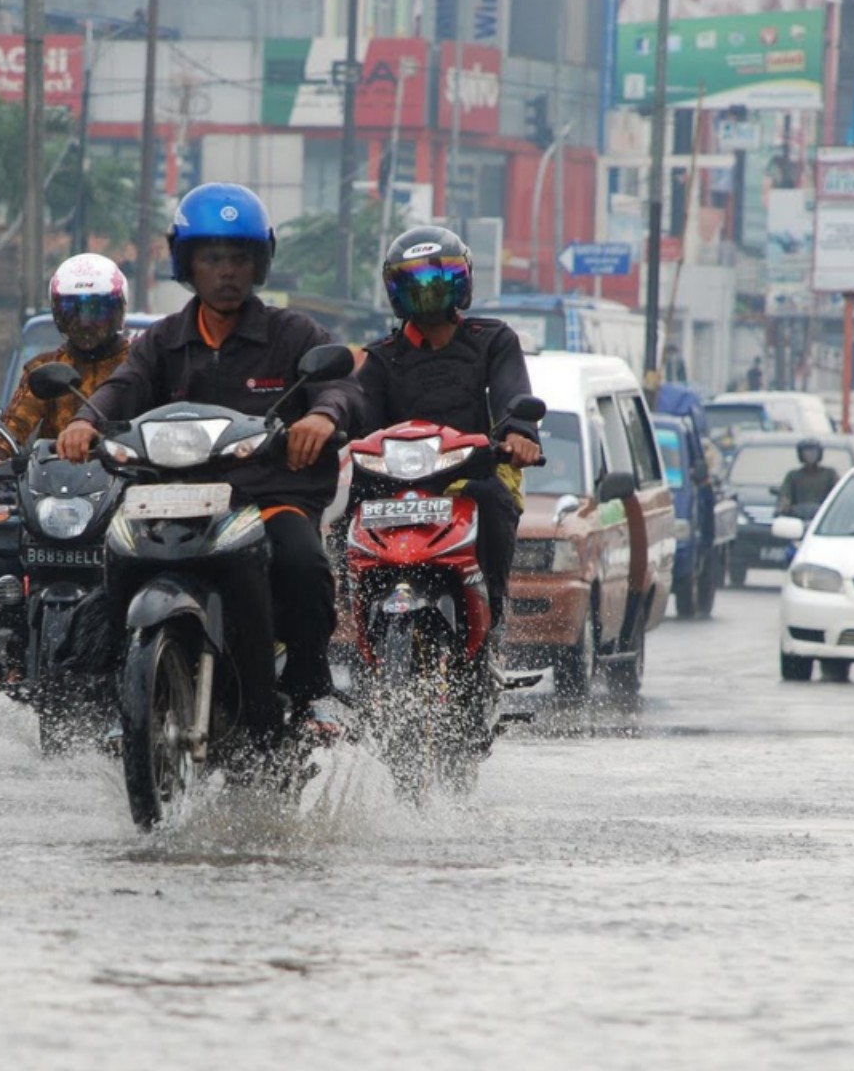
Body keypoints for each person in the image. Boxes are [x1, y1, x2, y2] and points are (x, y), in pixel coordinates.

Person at [55, 182, 362, 741]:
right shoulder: (162, 340)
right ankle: (117, 688)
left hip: (267, 499)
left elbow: (340, 385)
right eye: (212, 257)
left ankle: (309, 687)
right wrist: (84, 421)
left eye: (239, 258)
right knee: (112, 557)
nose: (227, 271)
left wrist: (322, 416)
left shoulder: (292, 334)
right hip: (171, 496)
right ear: (187, 263)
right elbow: (124, 387)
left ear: (259, 263)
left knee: (302, 560)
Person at [355, 226, 542, 631]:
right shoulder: (380, 358)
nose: (427, 293)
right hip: (395, 483)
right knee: (343, 506)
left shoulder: (494, 340)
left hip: (469, 474)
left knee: (493, 497)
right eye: (414, 284)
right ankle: (349, 600)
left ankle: (493, 608)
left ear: (463, 281)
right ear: (395, 290)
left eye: (438, 281)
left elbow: (514, 396)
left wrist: (519, 435)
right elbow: (358, 418)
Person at [0, 253, 133, 617]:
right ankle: (9, 663)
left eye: (96, 310)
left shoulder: (138, 363)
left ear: (117, 311)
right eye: (74, 311)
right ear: (60, 314)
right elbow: (17, 421)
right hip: (52, 494)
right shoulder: (43, 369)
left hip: (122, 495)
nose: (85, 323)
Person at [777, 438, 838, 518]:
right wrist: (784, 504)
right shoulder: (793, 476)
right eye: (807, 452)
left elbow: (838, 495)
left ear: (819, 453)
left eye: (813, 452)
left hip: (824, 517)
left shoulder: (829, 474)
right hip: (798, 518)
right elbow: (785, 495)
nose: (810, 455)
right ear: (801, 454)